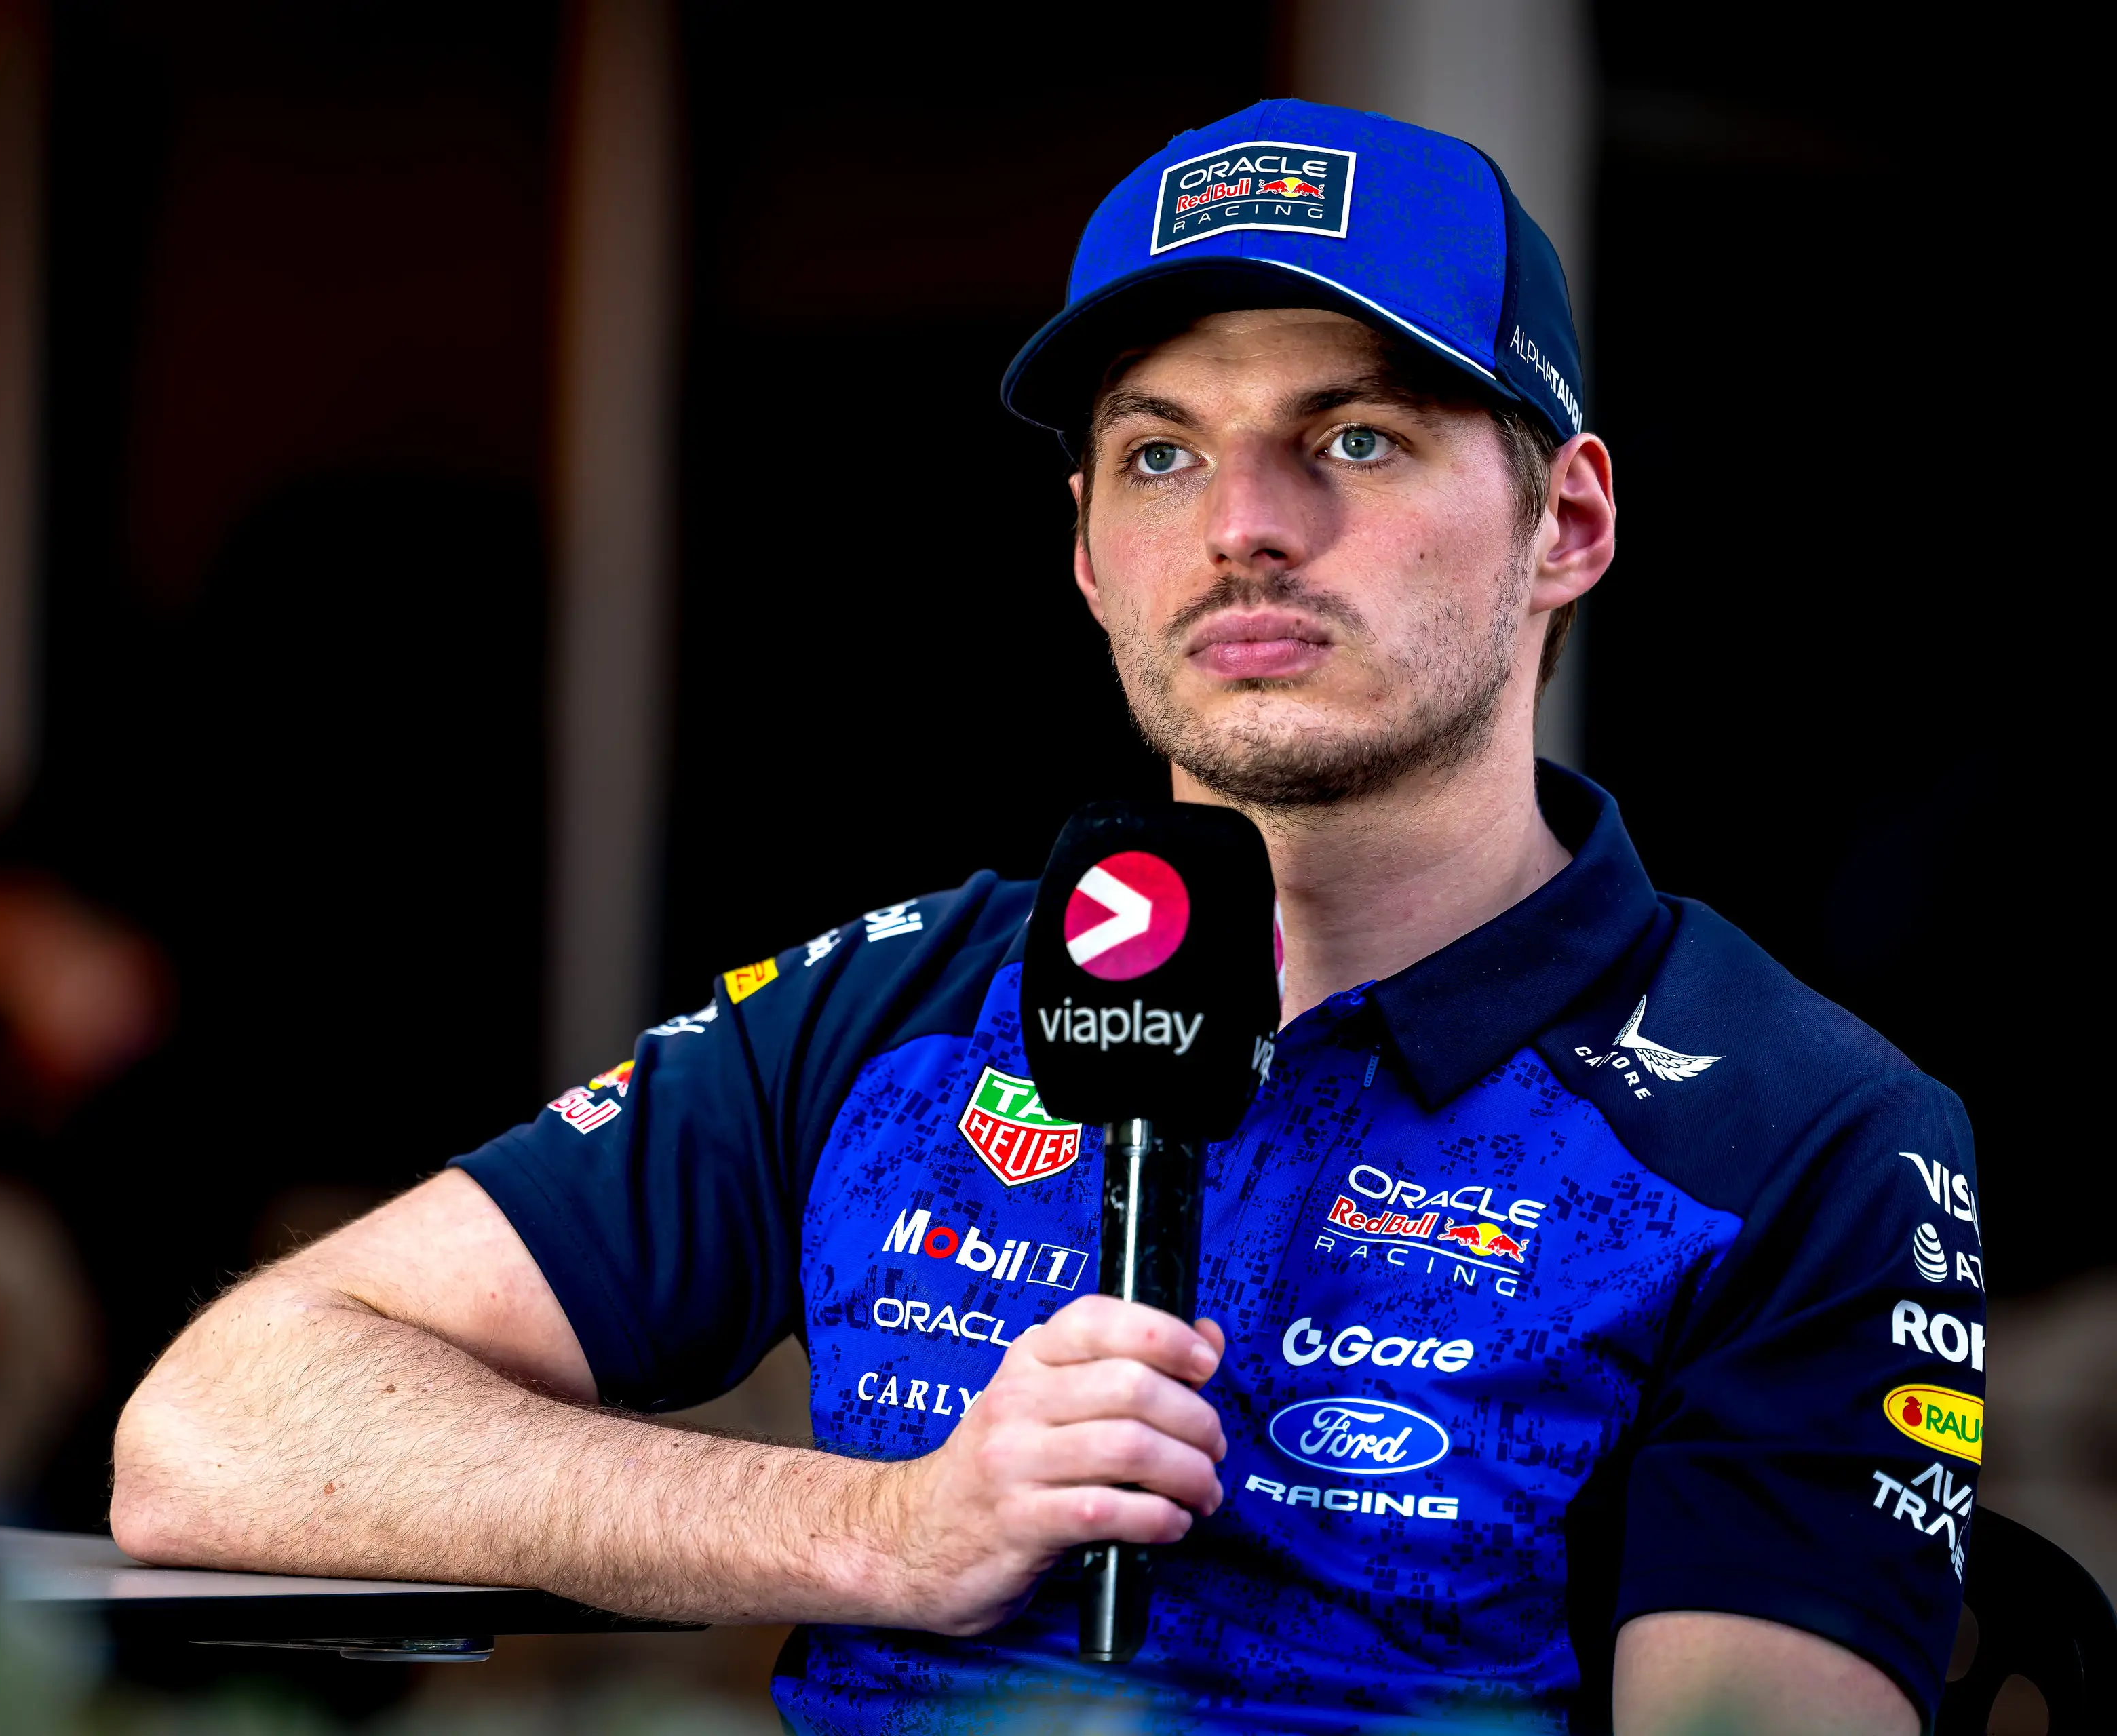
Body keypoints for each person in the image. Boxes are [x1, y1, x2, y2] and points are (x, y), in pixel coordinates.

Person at [113, 100, 1982, 1734]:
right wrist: (882, 1530)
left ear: (1565, 522)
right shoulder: (910, 1007)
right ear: (1090, 552)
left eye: (1355, 437)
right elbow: (211, 1433)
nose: (1244, 522)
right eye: (1160, 450)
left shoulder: (1801, 1132)